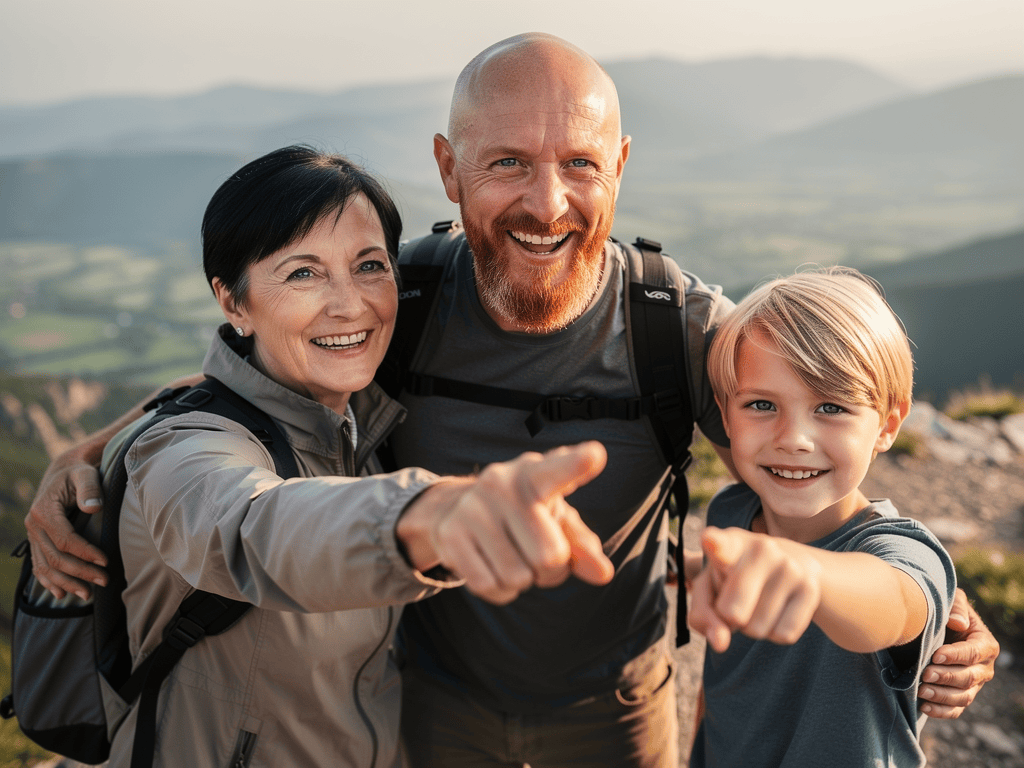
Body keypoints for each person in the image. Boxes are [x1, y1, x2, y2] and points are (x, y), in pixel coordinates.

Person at [24, 34, 999, 768]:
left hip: (619, 707)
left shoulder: (676, 329)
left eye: (579, 163)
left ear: (618, 167)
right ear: (448, 168)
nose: (547, 202)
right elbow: (268, 373)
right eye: (506, 164)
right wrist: (107, 447)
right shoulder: (396, 298)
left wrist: (926, 600)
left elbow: (815, 434)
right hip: (429, 701)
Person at [92, 145, 614, 768]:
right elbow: (250, 524)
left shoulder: (362, 422)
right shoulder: (184, 450)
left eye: (369, 266)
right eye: (303, 274)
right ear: (233, 303)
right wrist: (427, 515)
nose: (349, 303)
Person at [686, 267, 954, 767]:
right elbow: (722, 674)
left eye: (830, 407)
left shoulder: (902, 552)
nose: (793, 439)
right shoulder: (731, 511)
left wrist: (803, 569)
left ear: (887, 425)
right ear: (724, 414)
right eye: (761, 404)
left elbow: (895, 604)